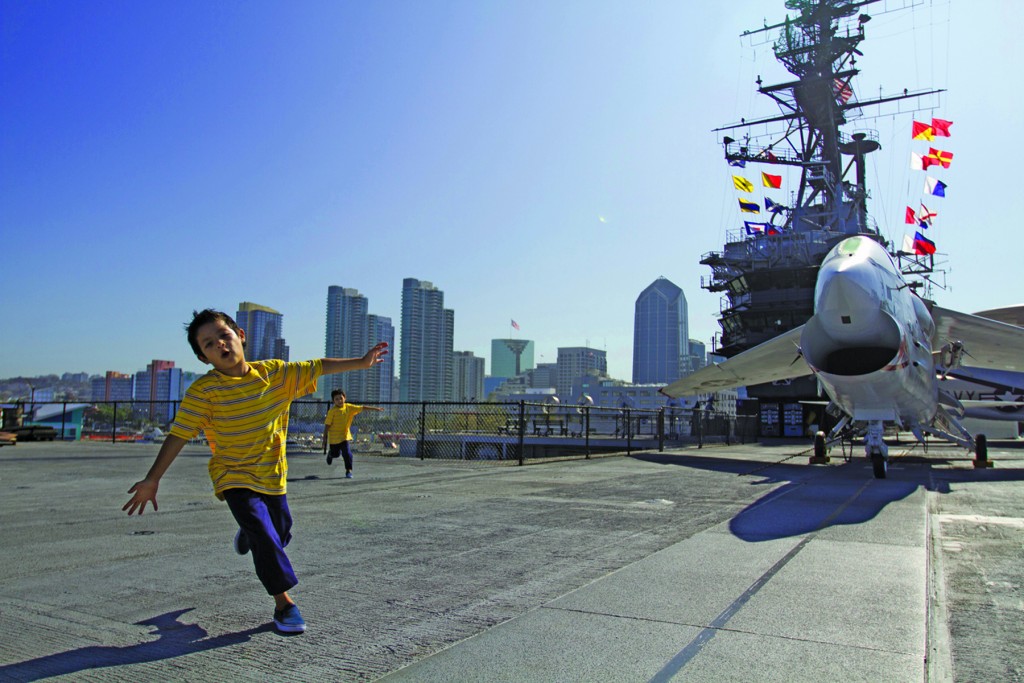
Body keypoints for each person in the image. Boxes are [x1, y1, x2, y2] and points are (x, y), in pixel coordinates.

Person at [122, 309, 387, 634]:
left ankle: (249, 533)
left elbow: (318, 366)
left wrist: (361, 362)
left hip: (272, 475)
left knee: (280, 531)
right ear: (203, 357)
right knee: (265, 536)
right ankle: (284, 604)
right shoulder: (205, 392)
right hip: (232, 476)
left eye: (224, 336)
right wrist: (153, 479)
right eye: (208, 344)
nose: (220, 344)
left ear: (240, 336)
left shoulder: (275, 374)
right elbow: (179, 434)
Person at [322, 389, 383, 477]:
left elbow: (362, 407)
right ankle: (331, 454)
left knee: (347, 453)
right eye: (336, 399)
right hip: (334, 439)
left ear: (344, 398)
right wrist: (324, 439)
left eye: (341, 398)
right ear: (333, 401)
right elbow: (327, 425)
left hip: (344, 436)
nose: (339, 400)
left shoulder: (349, 407)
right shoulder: (332, 412)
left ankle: (348, 470)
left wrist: (376, 409)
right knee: (336, 454)